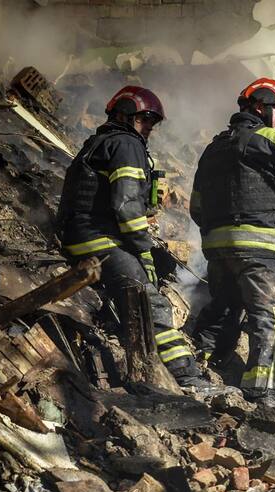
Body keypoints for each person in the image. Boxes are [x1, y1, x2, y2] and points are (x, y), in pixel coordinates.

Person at [58, 86, 212, 391]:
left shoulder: (99, 142)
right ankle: (187, 377)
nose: (149, 127)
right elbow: (126, 206)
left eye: (153, 122)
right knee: (151, 302)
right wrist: (143, 251)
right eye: (144, 119)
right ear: (124, 114)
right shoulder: (127, 144)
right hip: (99, 240)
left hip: (80, 236)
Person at [189, 77, 275, 406]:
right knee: (272, 320)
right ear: (260, 107)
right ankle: (261, 394)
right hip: (259, 247)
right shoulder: (269, 137)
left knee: (223, 309)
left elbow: (196, 207)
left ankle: (197, 370)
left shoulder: (213, 148)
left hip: (217, 248)